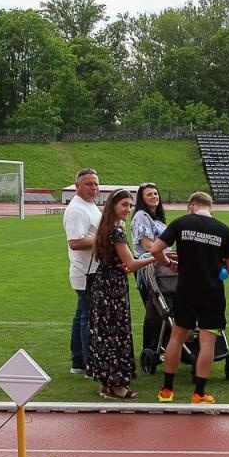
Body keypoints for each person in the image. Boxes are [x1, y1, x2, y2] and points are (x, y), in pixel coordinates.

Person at [149, 191, 229, 405]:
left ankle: (167, 391)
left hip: (185, 289)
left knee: (177, 338)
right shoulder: (224, 230)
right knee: (207, 342)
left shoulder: (181, 223)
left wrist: (168, 263)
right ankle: (199, 394)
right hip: (212, 292)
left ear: (191, 206)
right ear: (210, 208)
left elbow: (155, 249)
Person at [87, 189, 152, 399]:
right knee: (115, 333)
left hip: (104, 282)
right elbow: (131, 264)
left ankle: (106, 383)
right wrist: (156, 257)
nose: (128, 209)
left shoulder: (107, 227)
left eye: (130, 205)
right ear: (113, 205)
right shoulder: (116, 230)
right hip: (112, 286)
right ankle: (116, 384)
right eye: (124, 204)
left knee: (105, 333)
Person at [63, 168, 102, 376]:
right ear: (77, 186)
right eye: (88, 184)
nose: (93, 187)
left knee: (81, 316)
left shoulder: (90, 206)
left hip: (90, 270)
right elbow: (76, 242)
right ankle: (90, 364)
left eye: (95, 183)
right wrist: (105, 238)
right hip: (86, 272)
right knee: (88, 317)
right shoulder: (77, 210)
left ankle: (78, 361)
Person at [131, 183, 170, 365]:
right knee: (154, 308)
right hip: (148, 267)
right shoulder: (141, 216)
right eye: (149, 194)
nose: (154, 196)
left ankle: (162, 346)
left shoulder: (156, 218)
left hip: (160, 266)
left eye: (155, 193)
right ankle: (150, 348)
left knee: (162, 307)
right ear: (142, 198)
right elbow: (147, 245)